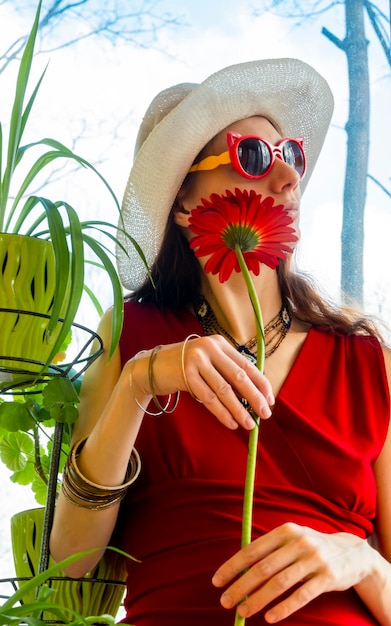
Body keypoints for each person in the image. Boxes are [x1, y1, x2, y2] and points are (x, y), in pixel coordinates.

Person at [50, 58, 391, 625]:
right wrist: (140, 381)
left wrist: (360, 560)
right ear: (184, 203)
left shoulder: (369, 362)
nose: (288, 179)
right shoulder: (131, 332)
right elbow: (70, 559)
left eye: (294, 158)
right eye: (252, 156)